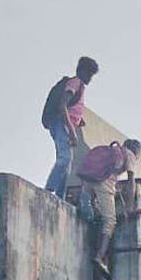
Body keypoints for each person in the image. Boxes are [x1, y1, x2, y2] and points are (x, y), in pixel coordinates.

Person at [82, 139, 141, 278]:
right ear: (136, 151)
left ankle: (88, 212)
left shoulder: (114, 150)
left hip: (88, 180)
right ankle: (99, 257)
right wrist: (129, 208)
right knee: (110, 221)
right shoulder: (130, 155)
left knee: (95, 214)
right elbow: (131, 183)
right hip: (103, 182)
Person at [43, 56, 99, 197]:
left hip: (65, 125)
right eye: (89, 74)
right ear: (82, 71)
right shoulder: (75, 82)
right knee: (65, 159)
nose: (90, 79)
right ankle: (48, 191)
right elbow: (63, 105)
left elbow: (71, 107)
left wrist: (78, 121)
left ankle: (59, 197)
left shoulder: (80, 87)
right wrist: (72, 131)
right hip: (61, 124)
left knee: (67, 168)